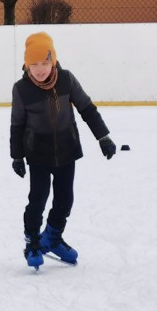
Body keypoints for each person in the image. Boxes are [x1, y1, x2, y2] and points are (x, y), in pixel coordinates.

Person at [10, 32, 117, 270]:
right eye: (34, 64)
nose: (40, 69)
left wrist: (103, 137)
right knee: (37, 199)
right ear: (27, 64)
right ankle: (33, 242)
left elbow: (87, 108)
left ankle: (53, 237)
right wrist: (16, 156)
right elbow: (17, 124)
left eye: (45, 63)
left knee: (65, 199)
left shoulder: (67, 80)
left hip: (67, 150)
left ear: (54, 61)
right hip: (38, 154)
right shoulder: (22, 89)